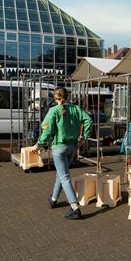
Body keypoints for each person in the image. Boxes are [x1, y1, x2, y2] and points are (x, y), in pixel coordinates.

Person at [29, 88, 92, 220]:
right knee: (61, 174)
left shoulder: (53, 111)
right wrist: (84, 138)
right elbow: (88, 120)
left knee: (64, 177)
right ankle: (53, 199)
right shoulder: (75, 108)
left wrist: (38, 144)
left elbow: (47, 130)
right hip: (72, 147)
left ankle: (75, 208)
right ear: (67, 96)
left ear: (55, 97)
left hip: (59, 148)